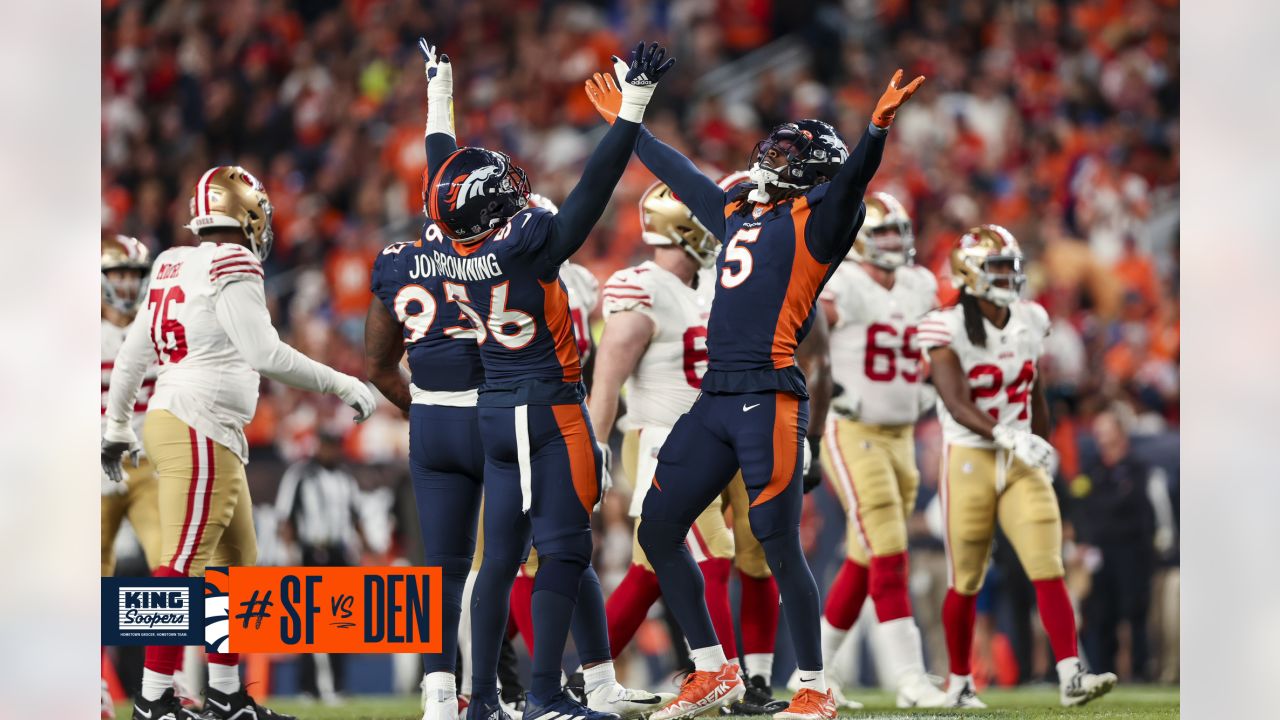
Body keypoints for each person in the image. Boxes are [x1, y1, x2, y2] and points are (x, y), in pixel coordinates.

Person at [584, 66, 923, 720]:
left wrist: (876, 128)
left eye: (787, 155)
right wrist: (630, 120)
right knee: (657, 527)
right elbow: (680, 174)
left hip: (769, 396)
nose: (770, 159)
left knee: (774, 540)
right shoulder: (739, 213)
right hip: (713, 399)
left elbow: (853, 181)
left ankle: (815, 686)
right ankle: (713, 670)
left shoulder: (819, 226)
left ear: (810, 173)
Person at [419, 40, 675, 720]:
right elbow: (593, 193)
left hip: (496, 411)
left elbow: (440, 168)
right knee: (564, 552)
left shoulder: (445, 241)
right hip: (547, 408)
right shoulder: (527, 239)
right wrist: (633, 110)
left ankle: (482, 704)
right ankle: (541, 696)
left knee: (499, 560)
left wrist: (437, 92)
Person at [102, 165, 376, 720]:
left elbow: (134, 351)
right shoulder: (233, 261)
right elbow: (266, 354)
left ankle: (226, 693)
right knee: (182, 564)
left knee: (237, 562)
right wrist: (342, 381)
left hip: (198, 423)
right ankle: (154, 697)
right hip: (195, 421)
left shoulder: (171, 261)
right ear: (246, 213)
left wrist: (116, 425)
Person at [915, 224, 1117, 708]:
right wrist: (1008, 435)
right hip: (970, 458)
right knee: (966, 577)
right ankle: (959, 682)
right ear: (969, 273)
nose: (1008, 276)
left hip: (1021, 457)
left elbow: (1036, 392)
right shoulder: (946, 325)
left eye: (1011, 266)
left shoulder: (1031, 318)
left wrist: (1041, 443)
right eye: (996, 267)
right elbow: (956, 400)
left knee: (1048, 565)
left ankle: (1071, 676)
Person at [806, 192, 946, 708]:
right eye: (884, 233)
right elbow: (807, 333)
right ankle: (909, 677)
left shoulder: (919, 284)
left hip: (903, 432)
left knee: (866, 558)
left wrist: (936, 388)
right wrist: (822, 387)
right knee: (888, 542)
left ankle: (815, 673)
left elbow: (937, 343)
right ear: (862, 237)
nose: (894, 242)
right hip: (851, 428)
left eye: (899, 232)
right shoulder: (844, 283)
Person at [100, 232, 162, 719]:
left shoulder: (157, 329)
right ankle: (93, 683)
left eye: (134, 274)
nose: (126, 283)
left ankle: (168, 680)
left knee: (171, 570)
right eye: (118, 273)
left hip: (145, 468)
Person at [1072, 409, 1173, 680]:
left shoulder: (1140, 469)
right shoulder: (1091, 470)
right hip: (1100, 555)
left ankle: (1140, 671)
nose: (1101, 437)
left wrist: (1159, 544)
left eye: (1106, 430)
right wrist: (1082, 541)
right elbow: (1080, 509)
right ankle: (1105, 671)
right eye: (1098, 431)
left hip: (1133, 553)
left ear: (1120, 432)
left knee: (1136, 615)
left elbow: (1154, 512)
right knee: (1101, 616)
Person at [274, 432, 366, 704]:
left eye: (334, 447)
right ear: (318, 447)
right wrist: (289, 552)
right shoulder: (300, 475)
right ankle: (308, 688)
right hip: (309, 552)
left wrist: (365, 548)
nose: (331, 452)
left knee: (340, 622)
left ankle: (337, 686)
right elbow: (285, 517)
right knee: (308, 624)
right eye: (327, 446)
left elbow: (356, 516)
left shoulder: (345, 478)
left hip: (339, 553)